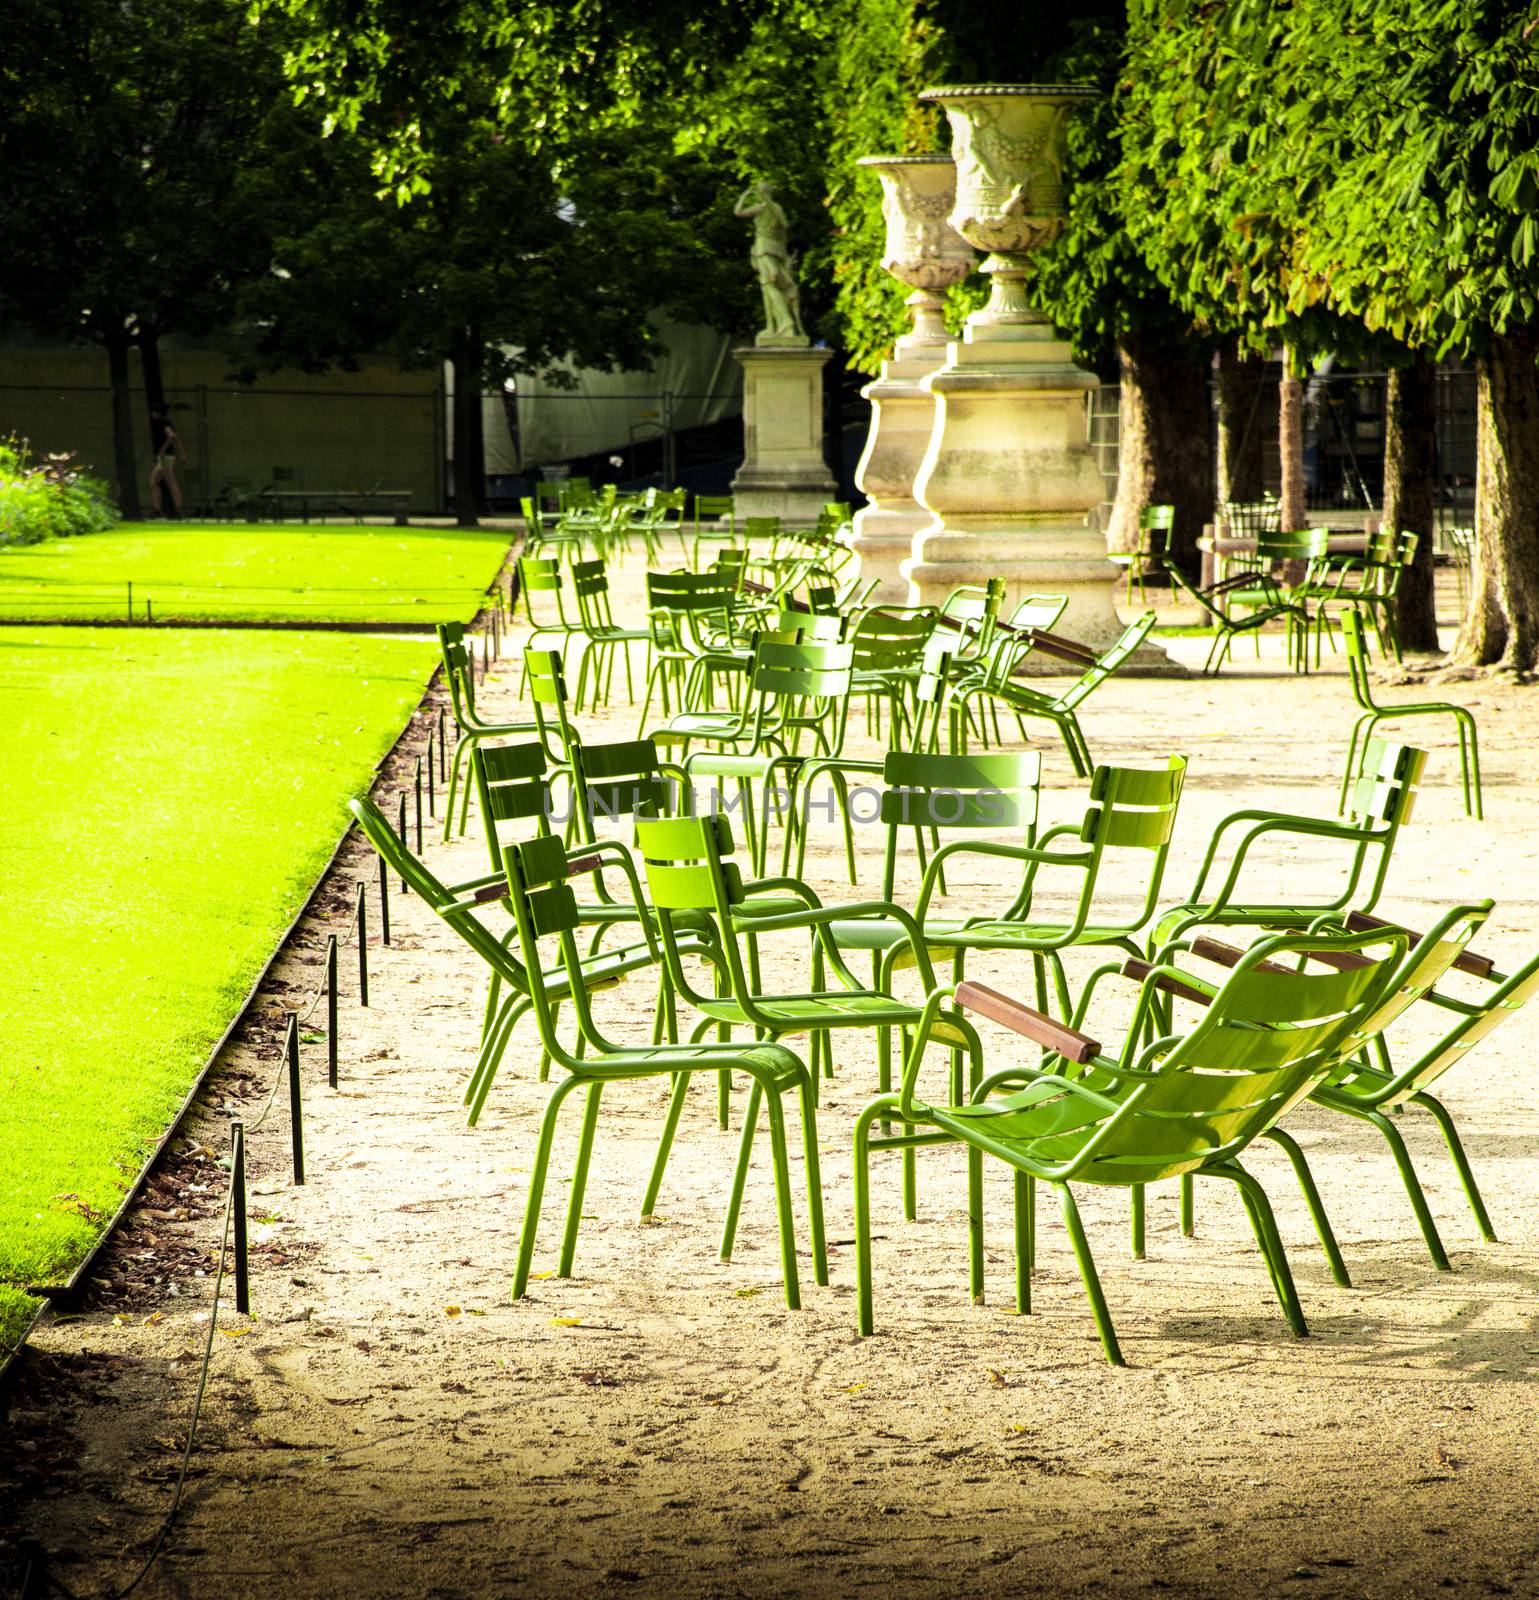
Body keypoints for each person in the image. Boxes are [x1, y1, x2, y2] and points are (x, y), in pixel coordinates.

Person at [733, 179, 806, 342]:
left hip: (763, 248)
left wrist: (744, 196)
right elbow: (784, 230)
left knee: (769, 285)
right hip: (776, 250)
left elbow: (738, 212)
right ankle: (772, 326)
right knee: (770, 287)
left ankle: (785, 323)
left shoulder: (762, 208)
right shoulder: (776, 208)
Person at [149, 411, 186, 517]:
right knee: (154, 482)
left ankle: (177, 510)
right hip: (167, 457)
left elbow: (172, 436)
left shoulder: (163, 423)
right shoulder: (168, 422)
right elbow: (176, 438)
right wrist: (183, 454)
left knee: (170, 483)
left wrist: (162, 449)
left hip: (165, 458)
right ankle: (160, 510)